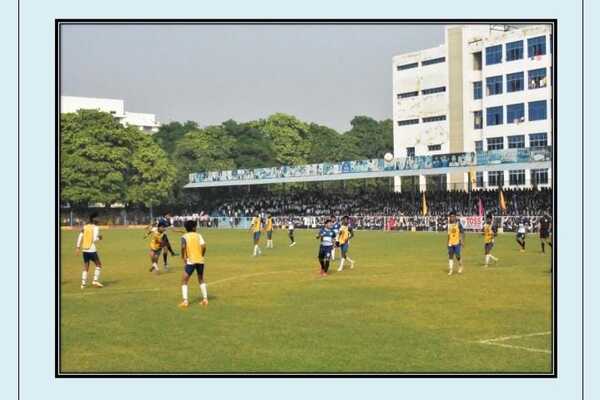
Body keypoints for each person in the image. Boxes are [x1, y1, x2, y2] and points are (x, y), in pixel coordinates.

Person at [179, 220, 208, 308]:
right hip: (200, 260)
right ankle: (205, 299)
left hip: (190, 261)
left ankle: (185, 301)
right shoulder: (199, 235)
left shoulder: (184, 236)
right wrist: (202, 254)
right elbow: (203, 246)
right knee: (201, 279)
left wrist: (183, 256)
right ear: (194, 227)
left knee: (184, 280)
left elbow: (183, 247)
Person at [75, 212, 104, 289]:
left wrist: (77, 247)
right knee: (99, 265)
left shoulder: (85, 226)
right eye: (98, 218)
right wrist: (100, 238)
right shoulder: (96, 227)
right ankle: (95, 281)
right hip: (92, 250)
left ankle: (83, 284)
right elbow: (94, 239)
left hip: (84, 249)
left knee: (86, 266)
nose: (99, 219)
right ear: (94, 219)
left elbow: (80, 236)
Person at [447, 211, 465, 276]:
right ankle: (451, 270)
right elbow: (448, 234)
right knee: (450, 256)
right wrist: (447, 242)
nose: (451, 218)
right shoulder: (449, 225)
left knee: (457, 255)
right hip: (450, 243)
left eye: (453, 216)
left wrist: (462, 240)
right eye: (450, 216)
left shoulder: (458, 224)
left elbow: (462, 232)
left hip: (457, 243)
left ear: (455, 217)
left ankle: (460, 266)